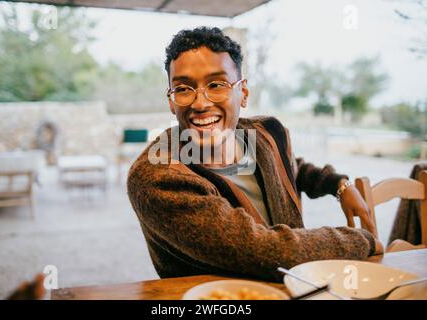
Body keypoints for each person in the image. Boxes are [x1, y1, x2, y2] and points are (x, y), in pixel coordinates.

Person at [127, 26, 383, 281]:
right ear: (171, 101)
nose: (201, 103)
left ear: (243, 93)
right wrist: (361, 241)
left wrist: (338, 184)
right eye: (183, 89)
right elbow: (263, 250)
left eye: (217, 84)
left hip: (298, 288)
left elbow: (289, 166)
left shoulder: (264, 135)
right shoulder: (158, 175)